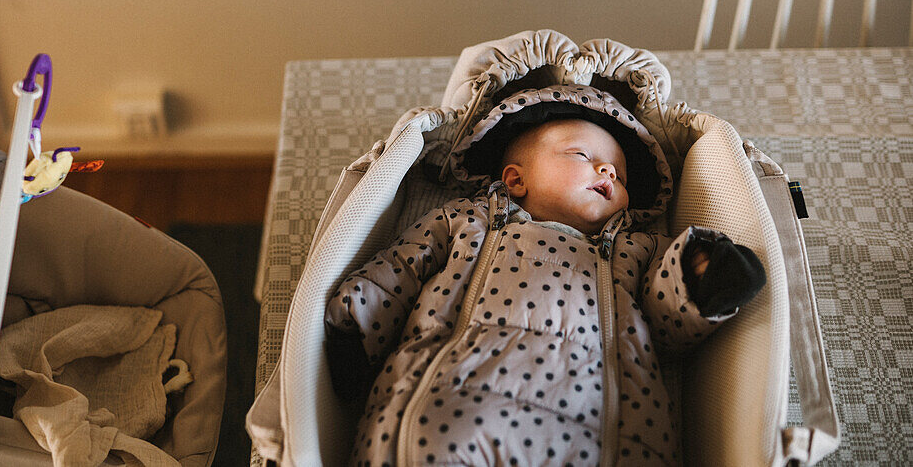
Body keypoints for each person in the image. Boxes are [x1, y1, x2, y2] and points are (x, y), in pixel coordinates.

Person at [324, 83, 766, 466]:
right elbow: (403, 265)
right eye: (583, 155)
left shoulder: (637, 249)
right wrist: (356, 324)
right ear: (515, 180)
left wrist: (700, 274)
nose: (608, 170)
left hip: (603, 433)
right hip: (452, 403)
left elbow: (664, 311)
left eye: (620, 172)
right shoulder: (469, 220)